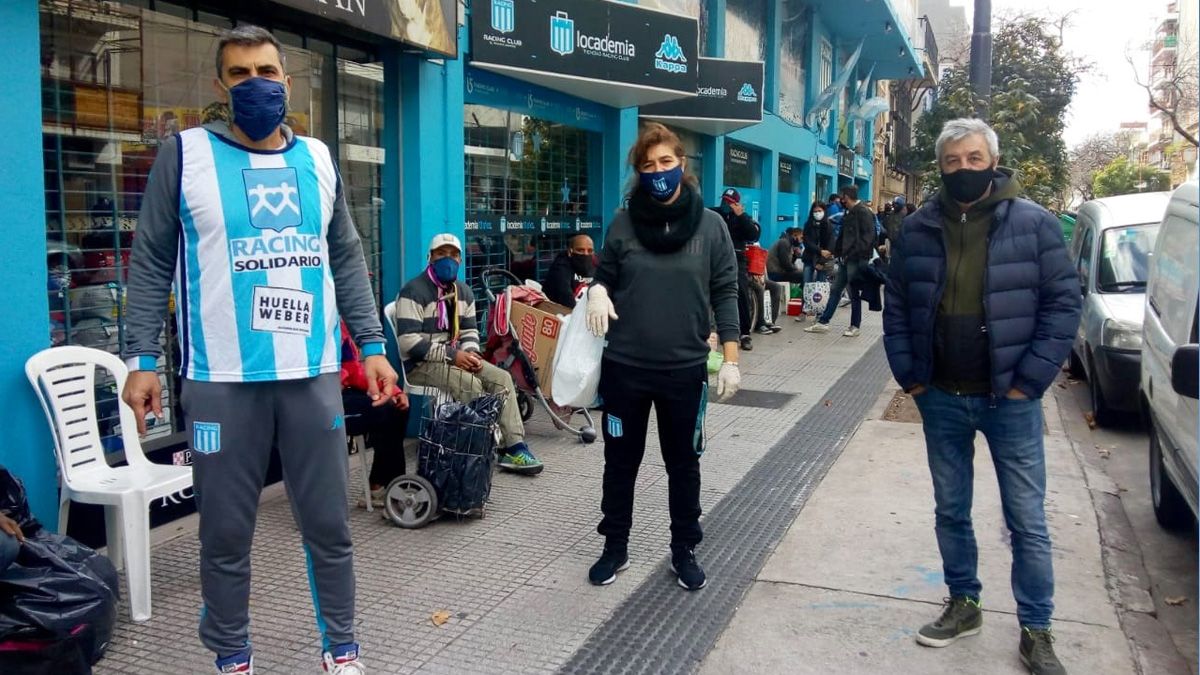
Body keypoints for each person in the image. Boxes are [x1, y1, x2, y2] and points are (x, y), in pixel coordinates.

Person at [120, 25, 390, 675]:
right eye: (240, 74)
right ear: (221, 85)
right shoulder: (184, 156)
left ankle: (342, 647)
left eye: (266, 70)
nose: (256, 84)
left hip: (310, 374)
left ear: (287, 82)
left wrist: (374, 344)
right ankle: (232, 655)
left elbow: (346, 257)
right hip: (220, 378)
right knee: (225, 536)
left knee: (328, 525)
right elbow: (152, 259)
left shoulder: (319, 160)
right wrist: (141, 361)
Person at [883, 118, 1080, 675]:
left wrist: (1030, 380)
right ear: (940, 167)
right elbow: (896, 306)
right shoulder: (918, 227)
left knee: (1026, 520)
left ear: (992, 161)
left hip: (1009, 401)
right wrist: (909, 375)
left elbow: (1064, 306)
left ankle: (1037, 629)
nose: (963, 169)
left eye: (974, 159)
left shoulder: (1036, 225)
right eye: (952, 161)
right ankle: (963, 603)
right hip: (940, 394)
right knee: (951, 510)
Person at [585, 122, 741, 592]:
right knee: (620, 462)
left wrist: (731, 357)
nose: (658, 172)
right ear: (638, 171)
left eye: (666, 162)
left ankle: (684, 549)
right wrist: (595, 291)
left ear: (682, 166)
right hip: (625, 369)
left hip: (684, 369)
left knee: (683, 464)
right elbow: (604, 275)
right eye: (648, 165)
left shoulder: (712, 227)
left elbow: (726, 292)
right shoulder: (623, 222)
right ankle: (615, 546)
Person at [395, 234, 543, 475]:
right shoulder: (413, 291)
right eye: (441, 254)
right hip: (422, 363)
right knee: (469, 383)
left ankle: (514, 448)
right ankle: (481, 446)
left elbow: (469, 331)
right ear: (430, 257)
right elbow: (407, 342)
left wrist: (471, 354)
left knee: (502, 379)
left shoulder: (463, 292)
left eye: (453, 255)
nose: (448, 260)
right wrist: (454, 356)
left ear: (461, 259)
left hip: (456, 357)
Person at [340, 321, 410, 509]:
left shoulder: (338, 324)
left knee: (397, 406)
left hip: (346, 392)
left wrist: (394, 392)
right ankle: (391, 488)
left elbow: (355, 371)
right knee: (383, 411)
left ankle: (384, 485)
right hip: (320, 402)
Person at [804, 184, 875, 337]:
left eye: (842, 197)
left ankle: (855, 326)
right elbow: (843, 237)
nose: (841, 200)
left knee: (854, 292)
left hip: (855, 259)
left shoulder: (863, 212)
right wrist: (835, 253)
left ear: (847, 197)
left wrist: (853, 254)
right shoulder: (849, 212)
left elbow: (867, 239)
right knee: (836, 289)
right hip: (845, 259)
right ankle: (823, 322)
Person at [711, 188, 761, 351]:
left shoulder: (742, 219)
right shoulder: (715, 214)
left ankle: (745, 333)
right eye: (724, 201)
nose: (726, 205)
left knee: (740, 292)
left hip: (736, 258)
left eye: (730, 203)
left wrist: (741, 216)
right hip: (716, 257)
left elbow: (753, 234)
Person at [541, 234, 595, 307]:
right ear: (570, 252)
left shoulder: (595, 265)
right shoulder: (560, 268)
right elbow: (566, 299)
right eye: (580, 250)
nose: (585, 254)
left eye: (590, 251)